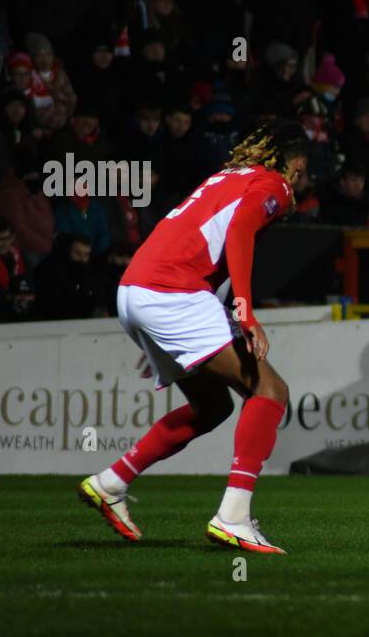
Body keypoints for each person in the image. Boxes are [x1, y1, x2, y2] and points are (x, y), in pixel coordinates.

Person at [77, 121, 311, 555]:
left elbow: (210, 248)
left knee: (212, 406)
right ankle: (234, 517)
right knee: (270, 389)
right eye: (304, 178)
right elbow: (240, 231)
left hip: (135, 291)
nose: (298, 193)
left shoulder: (226, 178)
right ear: (295, 167)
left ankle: (111, 483)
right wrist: (245, 312)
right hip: (171, 292)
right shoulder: (273, 183)